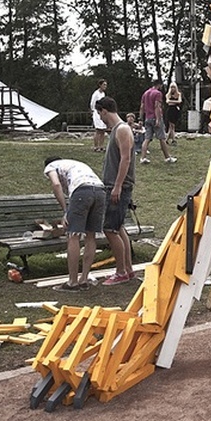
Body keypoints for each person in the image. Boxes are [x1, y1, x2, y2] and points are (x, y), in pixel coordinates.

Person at [43, 157, 106, 291]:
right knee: (90, 235)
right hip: (100, 191)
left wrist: (66, 210)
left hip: (82, 191)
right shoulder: (75, 164)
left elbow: (56, 184)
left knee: (73, 235)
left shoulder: (51, 166)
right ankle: (84, 279)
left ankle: (72, 282)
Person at [94, 96, 138, 286]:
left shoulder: (122, 129)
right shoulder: (116, 131)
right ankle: (128, 270)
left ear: (104, 110)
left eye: (99, 113)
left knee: (110, 229)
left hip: (118, 186)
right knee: (118, 228)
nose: (100, 118)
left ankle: (120, 272)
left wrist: (118, 185)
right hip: (112, 185)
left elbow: (125, 159)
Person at [139, 79, 176, 164]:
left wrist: (140, 118)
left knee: (147, 138)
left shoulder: (145, 93)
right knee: (162, 138)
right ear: (159, 85)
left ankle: (143, 158)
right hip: (155, 117)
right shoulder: (157, 93)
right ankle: (167, 157)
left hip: (147, 118)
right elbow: (157, 106)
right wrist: (158, 119)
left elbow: (142, 106)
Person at [90, 78, 108, 152]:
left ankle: (101, 146)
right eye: (104, 85)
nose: (105, 86)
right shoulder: (96, 93)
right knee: (98, 130)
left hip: (102, 112)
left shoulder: (103, 94)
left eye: (106, 85)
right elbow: (92, 104)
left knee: (103, 130)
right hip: (97, 113)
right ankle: (96, 146)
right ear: (100, 85)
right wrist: (94, 111)